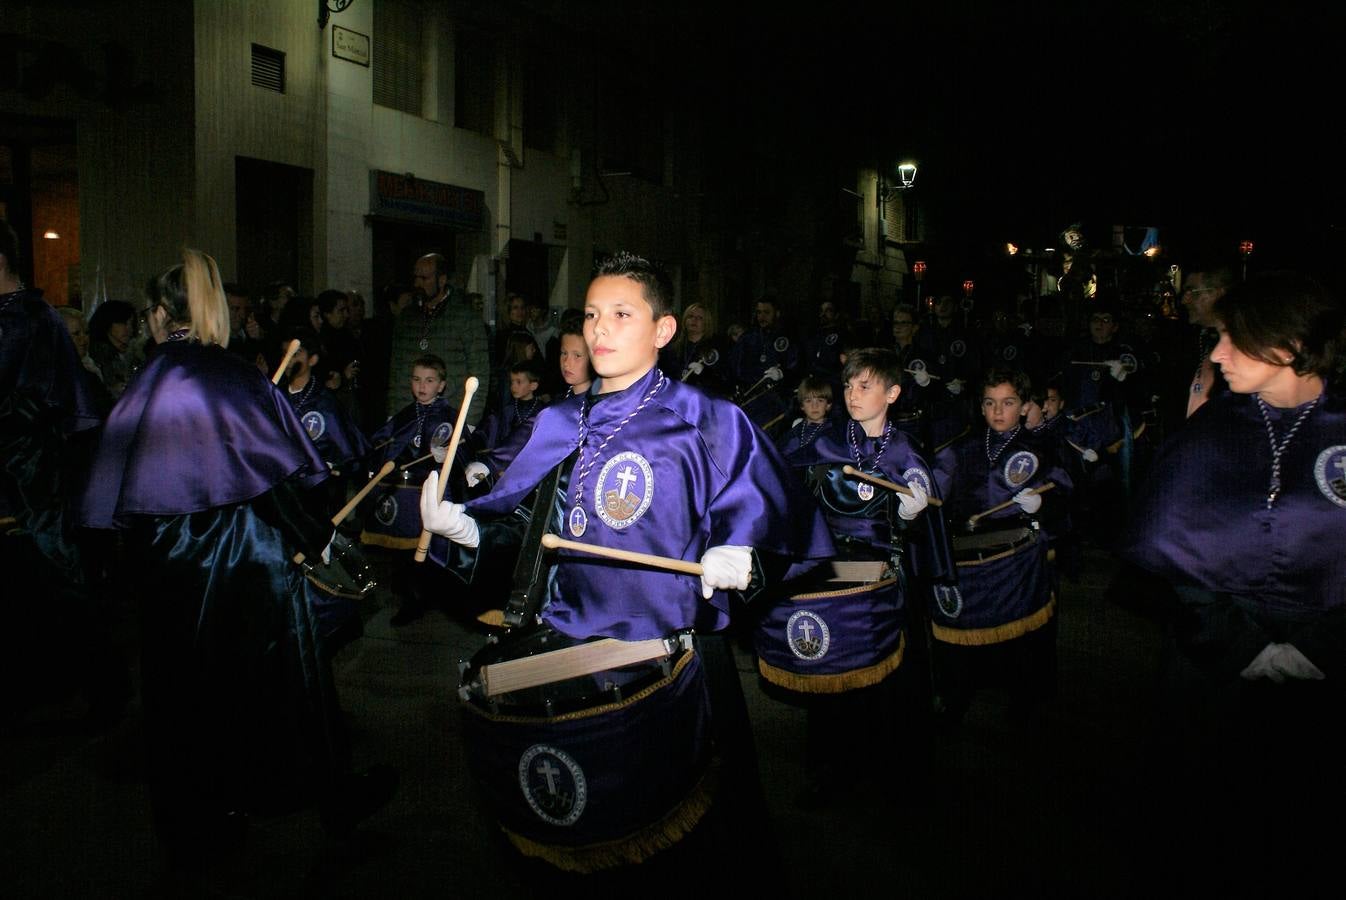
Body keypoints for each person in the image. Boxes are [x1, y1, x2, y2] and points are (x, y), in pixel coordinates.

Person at [419, 251, 832, 875]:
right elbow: (533, 534)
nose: (599, 329)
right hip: (570, 644)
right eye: (590, 314)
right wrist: (469, 529)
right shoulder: (560, 423)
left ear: (663, 331)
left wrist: (744, 555)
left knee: (692, 841)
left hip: (675, 654)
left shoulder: (709, 421)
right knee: (581, 829)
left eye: (621, 313)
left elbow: (783, 523)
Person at [77, 249, 396, 870]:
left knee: (182, 692)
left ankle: (198, 823)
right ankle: (328, 795)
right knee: (288, 681)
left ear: (161, 315)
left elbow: (114, 493)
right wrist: (317, 537)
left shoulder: (147, 380)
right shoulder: (226, 376)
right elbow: (276, 475)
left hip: (168, 568)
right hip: (241, 559)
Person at [1118, 271, 1346, 891]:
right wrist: (1244, 646)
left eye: (1232, 340)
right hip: (1211, 671)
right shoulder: (1210, 429)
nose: (1217, 354)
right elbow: (1175, 550)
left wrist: (1318, 648)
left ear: (1288, 344)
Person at [761, 348, 942, 807]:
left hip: (883, 579)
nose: (852, 394)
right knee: (832, 674)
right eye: (848, 386)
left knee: (888, 684)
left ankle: (889, 776)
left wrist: (915, 505)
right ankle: (831, 774)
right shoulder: (827, 441)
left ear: (893, 393)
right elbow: (787, 486)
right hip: (832, 574)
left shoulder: (902, 447)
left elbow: (921, 478)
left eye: (865, 386)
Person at [1, 220, 123, 731]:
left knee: (60, 579)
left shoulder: (25, 318)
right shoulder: (29, 316)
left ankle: (101, 687)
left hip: (30, 477)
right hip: (27, 474)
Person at [931, 367, 1071, 726]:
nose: (998, 411)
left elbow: (1064, 489)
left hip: (1016, 556)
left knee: (1021, 636)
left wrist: (1043, 504)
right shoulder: (963, 449)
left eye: (1008, 402)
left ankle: (1023, 702)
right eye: (990, 403)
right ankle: (957, 696)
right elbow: (937, 492)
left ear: (1024, 407)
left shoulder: (1040, 448)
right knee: (961, 631)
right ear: (980, 407)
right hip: (969, 555)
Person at [362, 353, 467, 626]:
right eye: (417, 379)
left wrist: (450, 455)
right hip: (405, 494)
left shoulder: (449, 416)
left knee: (428, 547)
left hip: (432, 491)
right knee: (404, 548)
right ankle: (409, 596)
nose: (422, 386)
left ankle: (426, 596)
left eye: (430, 380)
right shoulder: (405, 415)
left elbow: (466, 450)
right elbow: (384, 442)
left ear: (441, 385)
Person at [385, 253, 490, 426]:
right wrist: (393, 416)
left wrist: (468, 423)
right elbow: (397, 372)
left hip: (450, 418)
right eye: (416, 277)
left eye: (424, 278)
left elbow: (479, 375)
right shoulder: (406, 318)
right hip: (411, 418)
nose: (417, 283)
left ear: (441, 280)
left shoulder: (466, 318)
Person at [659, 301, 731, 396]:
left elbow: (724, 381)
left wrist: (705, 373)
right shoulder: (672, 348)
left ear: (706, 323)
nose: (694, 320)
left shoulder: (715, 349)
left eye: (699, 318)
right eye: (691, 316)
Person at [87, 299, 139, 399]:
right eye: (123, 323)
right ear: (107, 323)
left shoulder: (131, 352)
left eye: (131, 323)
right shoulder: (99, 355)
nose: (129, 328)